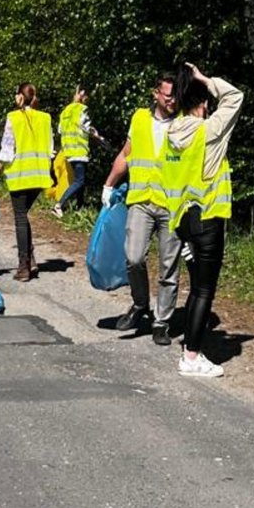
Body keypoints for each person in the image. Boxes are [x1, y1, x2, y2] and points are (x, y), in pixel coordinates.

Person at [162, 63, 244, 377]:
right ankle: (192, 357)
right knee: (203, 290)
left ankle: (191, 350)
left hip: (183, 219)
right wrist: (204, 78)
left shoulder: (172, 132)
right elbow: (235, 97)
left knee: (196, 288)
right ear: (204, 102)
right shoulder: (207, 130)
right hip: (208, 216)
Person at [102, 73, 180, 345]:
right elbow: (126, 153)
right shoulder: (139, 119)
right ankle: (140, 304)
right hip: (141, 200)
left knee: (169, 267)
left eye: (176, 94)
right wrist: (109, 184)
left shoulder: (185, 124)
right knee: (133, 257)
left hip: (172, 205)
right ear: (156, 94)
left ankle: (161, 322)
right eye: (168, 94)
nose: (173, 100)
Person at [0, 83, 54, 282]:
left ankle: (23, 267)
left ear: (21, 98)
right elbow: (50, 149)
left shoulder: (13, 117)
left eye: (16, 95)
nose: (15, 98)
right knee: (24, 216)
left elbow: (7, 151)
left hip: (21, 177)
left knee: (20, 218)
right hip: (39, 178)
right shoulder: (46, 118)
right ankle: (30, 259)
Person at [53, 86, 107, 218]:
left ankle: (80, 206)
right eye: (86, 97)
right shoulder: (82, 109)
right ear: (83, 97)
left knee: (79, 180)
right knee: (80, 181)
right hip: (79, 150)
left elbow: (60, 130)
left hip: (69, 151)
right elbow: (86, 127)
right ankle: (59, 205)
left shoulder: (65, 111)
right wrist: (98, 137)